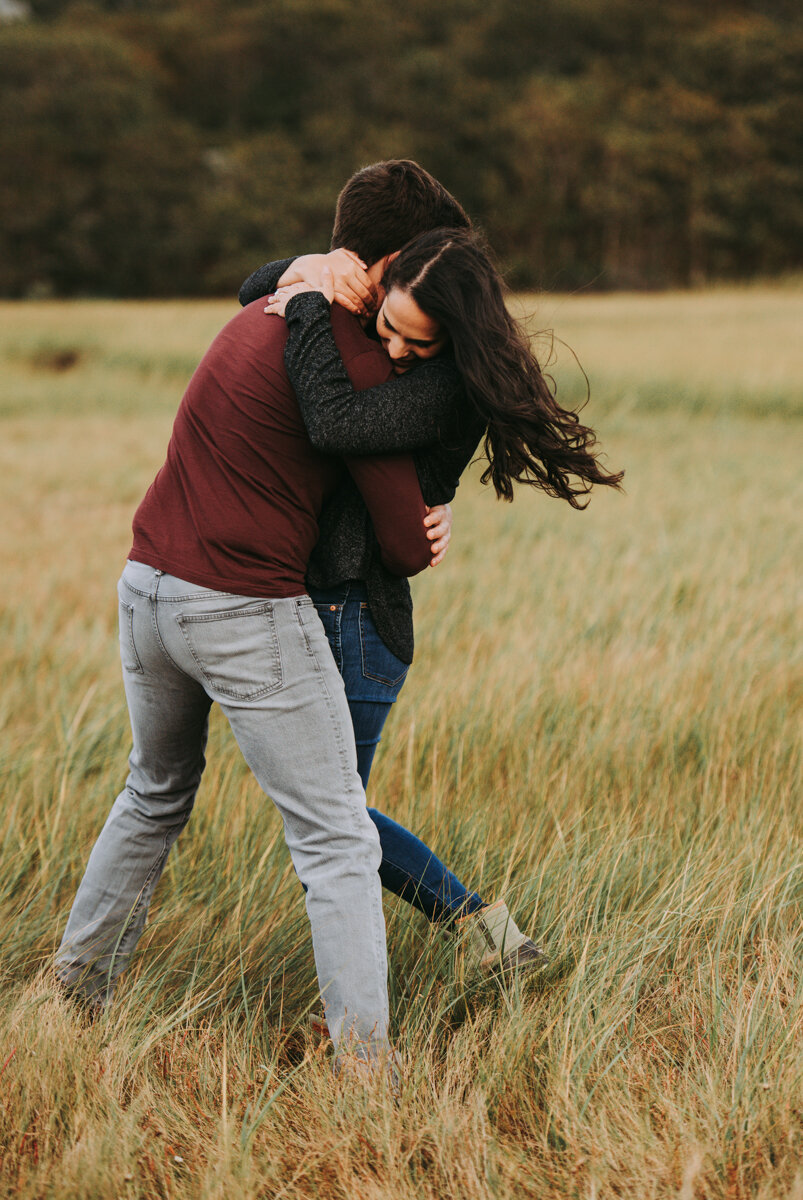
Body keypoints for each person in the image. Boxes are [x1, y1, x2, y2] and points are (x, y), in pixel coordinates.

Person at [54, 166, 478, 1081]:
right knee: (335, 836)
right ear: (395, 261)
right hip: (241, 608)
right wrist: (431, 523)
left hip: (144, 589)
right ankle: (368, 1070)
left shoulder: (269, 308)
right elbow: (403, 543)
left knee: (151, 796)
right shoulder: (349, 352)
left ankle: (74, 996)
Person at [240, 194, 624, 979]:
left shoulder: (444, 390)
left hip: (359, 618)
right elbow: (253, 287)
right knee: (332, 814)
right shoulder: (388, 329)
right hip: (325, 610)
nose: (390, 345)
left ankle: (481, 944)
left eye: (414, 341)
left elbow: (337, 424)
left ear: (452, 338)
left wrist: (310, 302)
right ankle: (491, 943)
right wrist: (304, 269)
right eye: (385, 322)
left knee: (333, 818)